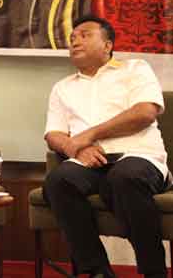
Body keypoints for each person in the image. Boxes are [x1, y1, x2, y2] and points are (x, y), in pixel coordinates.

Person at [43, 15, 168, 278]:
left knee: (123, 177)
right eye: (72, 38)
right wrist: (77, 149)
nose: (75, 41)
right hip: (90, 163)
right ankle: (97, 270)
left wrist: (89, 135)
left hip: (138, 157)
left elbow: (145, 112)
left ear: (108, 45)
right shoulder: (62, 88)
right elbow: (54, 134)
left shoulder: (135, 69)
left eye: (85, 35)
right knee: (59, 180)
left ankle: (153, 271)